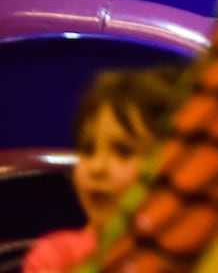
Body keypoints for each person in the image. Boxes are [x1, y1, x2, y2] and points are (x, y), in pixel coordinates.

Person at [22, 63, 185, 273]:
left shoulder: (195, 254)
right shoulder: (56, 258)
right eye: (88, 150)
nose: (97, 168)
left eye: (124, 151)